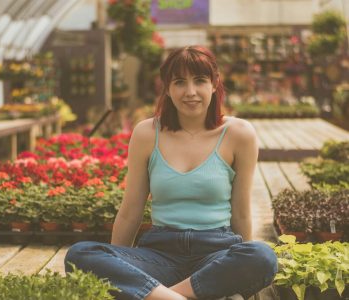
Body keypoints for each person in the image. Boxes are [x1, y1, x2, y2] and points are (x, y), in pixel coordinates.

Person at [65, 45, 278, 300]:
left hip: (215, 254)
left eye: (199, 81)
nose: (190, 92)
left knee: (262, 256)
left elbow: (242, 212)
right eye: (179, 82)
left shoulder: (238, 134)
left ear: (214, 83)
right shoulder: (146, 133)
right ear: (166, 87)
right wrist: (118, 265)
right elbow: (131, 210)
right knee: (80, 254)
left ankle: (159, 296)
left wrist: (239, 267)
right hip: (159, 256)